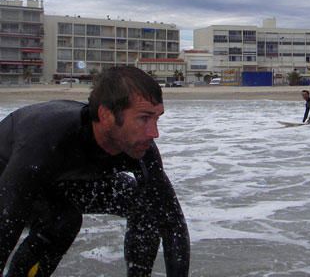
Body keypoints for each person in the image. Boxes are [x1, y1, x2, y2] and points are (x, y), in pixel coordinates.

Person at [0, 66, 189, 276]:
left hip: (65, 180)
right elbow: (5, 224)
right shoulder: (48, 140)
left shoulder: (139, 147)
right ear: (106, 115)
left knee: (145, 204)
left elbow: (173, 225)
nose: (154, 133)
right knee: (63, 221)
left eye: (157, 118)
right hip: (9, 176)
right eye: (144, 118)